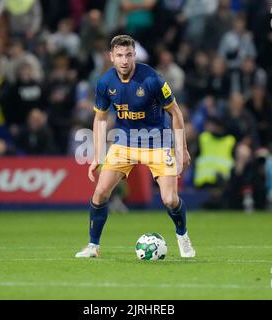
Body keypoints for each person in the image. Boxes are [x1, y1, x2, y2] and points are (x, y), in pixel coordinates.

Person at [75, 35, 195, 258]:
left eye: (128, 55)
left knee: (169, 199)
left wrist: (182, 148)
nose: (124, 60)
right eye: (119, 55)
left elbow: (175, 112)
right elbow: (100, 119)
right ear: (111, 57)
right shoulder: (105, 83)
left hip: (157, 143)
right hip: (125, 143)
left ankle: (182, 235)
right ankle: (93, 246)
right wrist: (97, 155)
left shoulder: (152, 79)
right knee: (100, 192)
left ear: (134, 56)